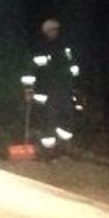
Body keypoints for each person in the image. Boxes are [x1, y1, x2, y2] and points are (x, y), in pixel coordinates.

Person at [20, 18, 81, 157]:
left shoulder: (65, 49)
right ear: (46, 32)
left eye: (56, 30)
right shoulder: (40, 49)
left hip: (64, 90)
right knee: (48, 120)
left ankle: (64, 148)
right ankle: (47, 151)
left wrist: (75, 84)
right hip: (46, 91)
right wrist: (28, 89)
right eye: (51, 30)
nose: (54, 32)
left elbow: (74, 68)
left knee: (66, 119)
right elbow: (30, 70)